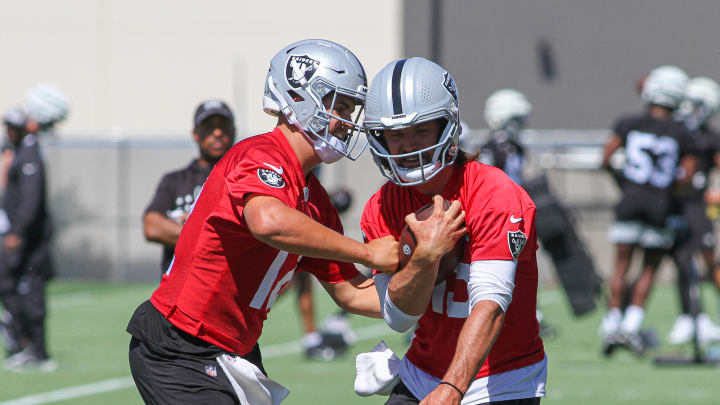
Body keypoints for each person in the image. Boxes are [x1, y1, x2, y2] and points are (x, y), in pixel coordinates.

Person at [126, 39, 399, 404]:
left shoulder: (316, 201)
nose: (346, 122)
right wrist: (368, 253)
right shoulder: (259, 153)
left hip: (233, 350)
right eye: (341, 106)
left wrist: (425, 293)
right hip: (181, 345)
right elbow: (268, 221)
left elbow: (352, 292)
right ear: (300, 98)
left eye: (351, 109)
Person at [359, 57, 546, 404]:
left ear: (448, 125)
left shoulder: (495, 194)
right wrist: (424, 258)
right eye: (396, 134)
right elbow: (399, 318)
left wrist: (452, 388)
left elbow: (490, 306)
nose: (408, 145)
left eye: (420, 130)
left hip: (502, 377)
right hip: (421, 372)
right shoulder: (382, 206)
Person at [600, 65, 696, 356]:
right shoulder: (682, 132)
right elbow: (687, 177)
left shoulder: (629, 123)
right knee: (649, 268)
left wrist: (625, 183)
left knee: (620, 265)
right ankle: (631, 324)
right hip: (659, 205)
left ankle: (612, 323)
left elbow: (605, 157)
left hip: (630, 200)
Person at [143, 99, 235, 275]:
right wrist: (217, 235)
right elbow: (152, 227)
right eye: (209, 127)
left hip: (226, 289)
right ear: (196, 134)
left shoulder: (243, 178)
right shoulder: (174, 180)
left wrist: (188, 226)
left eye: (223, 126)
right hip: (176, 291)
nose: (217, 133)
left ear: (233, 131)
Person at [0, 106, 56, 372]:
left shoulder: (31, 154)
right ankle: (22, 344)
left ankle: (38, 350)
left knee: (30, 291)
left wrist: (17, 233)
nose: (10, 131)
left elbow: (31, 201)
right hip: (17, 237)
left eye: (15, 127)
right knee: (12, 288)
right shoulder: (17, 152)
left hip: (29, 241)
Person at [666, 76, 720, 345]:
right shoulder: (676, 130)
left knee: (710, 261)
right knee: (682, 261)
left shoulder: (710, 137)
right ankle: (689, 316)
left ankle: (710, 317)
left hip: (699, 204)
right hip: (676, 204)